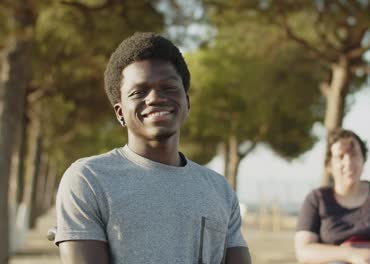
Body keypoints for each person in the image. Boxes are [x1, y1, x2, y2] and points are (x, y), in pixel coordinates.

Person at [54, 32, 251, 264]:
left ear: (186, 102)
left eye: (168, 87)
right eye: (139, 92)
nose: (155, 97)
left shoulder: (219, 190)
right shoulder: (89, 180)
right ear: (120, 113)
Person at [295, 129, 370, 264]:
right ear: (329, 165)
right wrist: (351, 255)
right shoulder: (316, 199)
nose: (349, 162)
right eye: (341, 156)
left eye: (354, 155)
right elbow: (304, 251)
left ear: (363, 160)